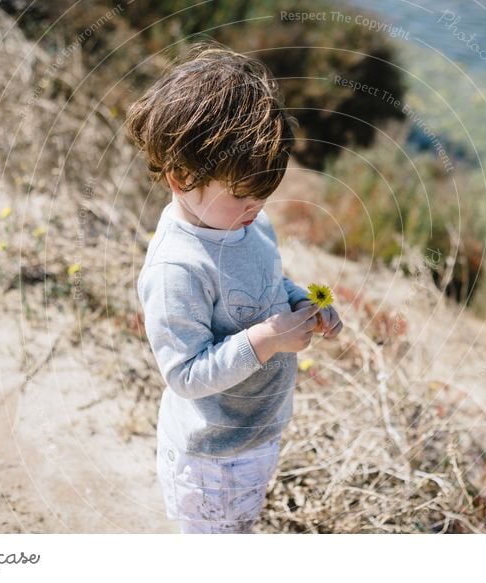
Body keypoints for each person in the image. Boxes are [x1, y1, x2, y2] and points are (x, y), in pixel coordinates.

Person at [126, 43, 343, 534]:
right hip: (211, 456)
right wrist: (267, 340)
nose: (257, 209)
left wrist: (299, 302)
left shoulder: (249, 223)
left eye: (263, 196)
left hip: (257, 432)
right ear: (183, 177)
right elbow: (184, 373)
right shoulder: (177, 268)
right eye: (244, 197)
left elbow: (267, 282)